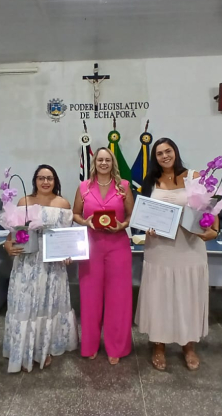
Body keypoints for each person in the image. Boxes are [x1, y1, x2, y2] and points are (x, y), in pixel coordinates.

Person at [134, 138, 217, 371]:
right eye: (159, 153)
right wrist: (146, 226)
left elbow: (210, 207)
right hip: (159, 248)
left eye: (168, 151)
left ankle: (188, 346)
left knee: (188, 295)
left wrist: (214, 229)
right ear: (155, 158)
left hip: (189, 247)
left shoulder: (194, 177)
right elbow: (144, 212)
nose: (165, 156)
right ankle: (158, 345)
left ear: (175, 151)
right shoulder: (149, 181)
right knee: (159, 296)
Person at [3, 164, 78, 373]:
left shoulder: (62, 203)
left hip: (52, 264)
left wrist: (69, 253)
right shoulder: (24, 202)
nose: (45, 182)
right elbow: (13, 233)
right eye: (41, 178)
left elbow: (68, 236)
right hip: (27, 263)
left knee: (48, 304)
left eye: (49, 178)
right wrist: (7, 244)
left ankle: (45, 348)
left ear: (55, 181)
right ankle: (23, 348)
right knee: (25, 303)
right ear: (35, 180)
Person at [73, 147, 134, 365]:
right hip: (91, 246)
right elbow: (75, 214)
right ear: (94, 163)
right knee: (90, 297)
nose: (103, 163)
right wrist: (85, 222)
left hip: (118, 246)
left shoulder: (124, 186)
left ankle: (116, 347)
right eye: (100, 159)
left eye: (107, 160)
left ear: (113, 163)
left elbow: (131, 215)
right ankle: (90, 345)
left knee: (118, 298)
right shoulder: (83, 187)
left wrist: (122, 225)